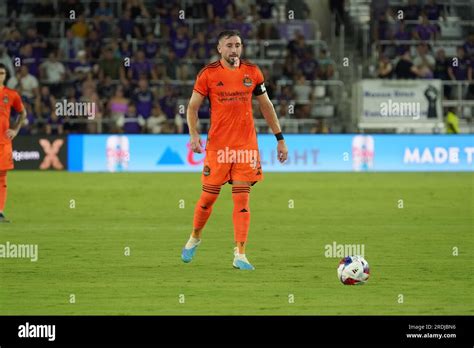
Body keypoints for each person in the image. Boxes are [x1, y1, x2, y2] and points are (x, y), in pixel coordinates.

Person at [181, 30, 288, 270]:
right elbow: (192, 108)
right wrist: (194, 134)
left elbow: (266, 106)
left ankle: (240, 253)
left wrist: (279, 138)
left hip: (246, 147)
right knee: (208, 198)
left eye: (238, 45)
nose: (234, 49)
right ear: (220, 48)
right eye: (229, 45)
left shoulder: (252, 73)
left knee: (242, 201)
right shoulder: (208, 75)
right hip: (218, 148)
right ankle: (195, 236)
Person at [0, 63, 27, 222]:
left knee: (2, 178)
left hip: (4, 143)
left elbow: (22, 113)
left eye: (2, 72)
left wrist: (16, 130)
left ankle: (0, 211)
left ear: (5, 75)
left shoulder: (11, 94)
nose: (0, 75)